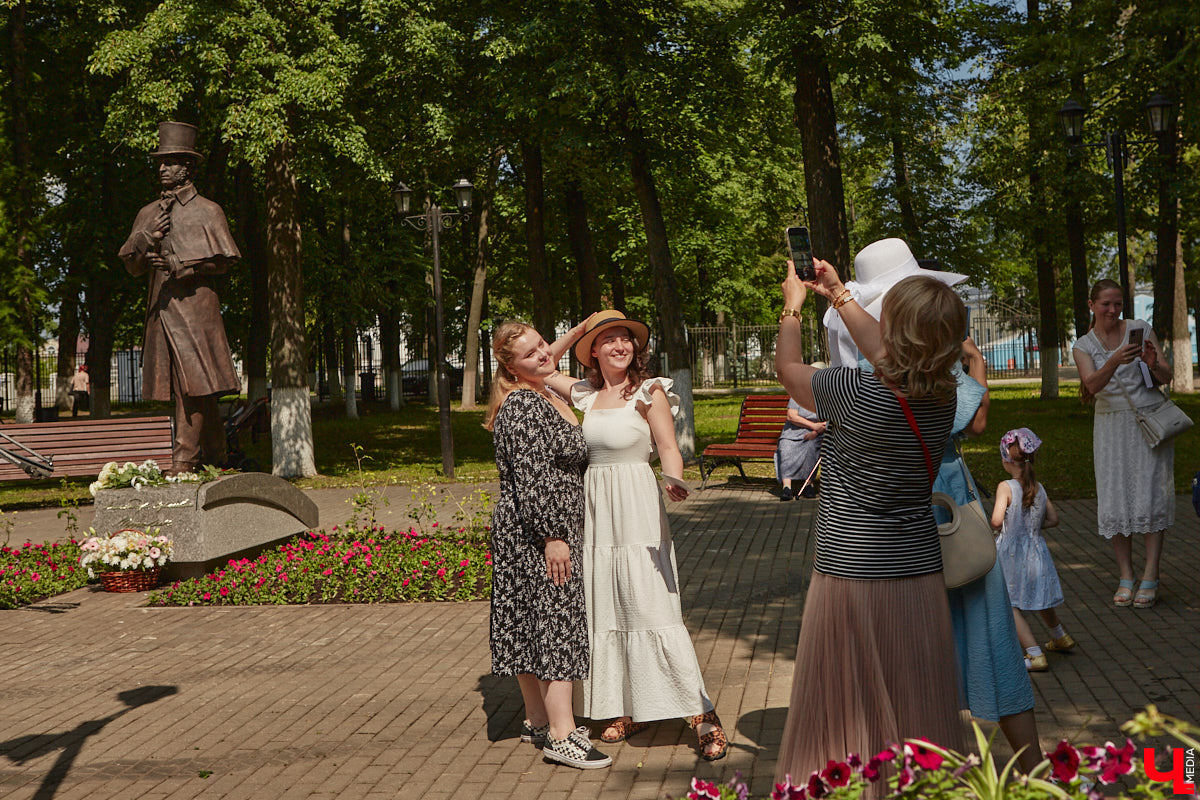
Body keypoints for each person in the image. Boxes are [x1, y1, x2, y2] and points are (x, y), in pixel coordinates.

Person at [822, 238, 1043, 774]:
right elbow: (969, 412)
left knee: (908, 656)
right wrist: (972, 363)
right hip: (947, 508)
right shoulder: (933, 375)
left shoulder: (854, 366)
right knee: (988, 638)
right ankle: (1038, 770)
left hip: (878, 524)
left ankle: (915, 768)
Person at [774, 258, 968, 789]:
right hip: (918, 571)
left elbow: (788, 372)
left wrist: (793, 306)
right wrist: (836, 294)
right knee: (916, 702)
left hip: (850, 572)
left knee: (844, 708)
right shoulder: (943, 392)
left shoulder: (852, 391)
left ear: (897, 331)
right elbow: (893, 356)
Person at [542, 310, 728, 761]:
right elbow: (545, 364)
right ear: (593, 352)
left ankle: (702, 715)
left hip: (637, 506)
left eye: (626, 339)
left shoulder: (648, 390)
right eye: (608, 340)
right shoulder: (584, 393)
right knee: (607, 604)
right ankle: (628, 707)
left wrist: (673, 478)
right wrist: (583, 327)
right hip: (595, 511)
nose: (620, 346)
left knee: (651, 606)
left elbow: (668, 446)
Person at [482, 318, 612, 770]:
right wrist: (553, 536)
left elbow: (547, 355)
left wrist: (575, 333)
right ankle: (562, 734)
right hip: (538, 533)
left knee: (527, 621)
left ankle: (537, 720)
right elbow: (531, 478)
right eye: (530, 353)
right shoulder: (522, 405)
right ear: (511, 368)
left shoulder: (539, 389)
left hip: (531, 530)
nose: (543, 354)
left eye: (543, 344)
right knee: (558, 622)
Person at [119, 121, 241, 474]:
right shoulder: (148, 213)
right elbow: (131, 265)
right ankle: (217, 455)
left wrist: (183, 265)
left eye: (170, 162)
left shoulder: (208, 210)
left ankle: (184, 459)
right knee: (190, 386)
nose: (162, 169)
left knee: (196, 382)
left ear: (187, 168)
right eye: (160, 162)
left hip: (196, 308)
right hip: (163, 309)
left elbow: (225, 259)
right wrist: (146, 240)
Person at [1071, 279, 1174, 609]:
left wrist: (1152, 362)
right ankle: (1126, 575)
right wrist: (1115, 359)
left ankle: (1151, 574)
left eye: (1118, 304)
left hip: (1146, 421)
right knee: (1116, 497)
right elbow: (1091, 385)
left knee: (1150, 494)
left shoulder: (1141, 328)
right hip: (1111, 427)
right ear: (1092, 305)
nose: (1113, 310)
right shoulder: (1083, 345)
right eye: (1106, 304)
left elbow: (1166, 375)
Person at [990, 428, 1075, 673]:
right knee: (1040, 596)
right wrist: (1032, 529)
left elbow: (996, 521)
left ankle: (1034, 653)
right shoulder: (1038, 486)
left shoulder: (1005, 487)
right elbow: (1053, 519)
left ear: (1007, 458)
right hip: (1036, 551)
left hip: (1011, 555)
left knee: (1008, 603)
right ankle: (1059, 636)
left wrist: (1001, 527)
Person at [776, 398, 825, 500]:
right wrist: (813, 425)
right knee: (786, 445)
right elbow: (791, 416)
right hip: (793, 430)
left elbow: (830, 420)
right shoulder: (797, 394)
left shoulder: (826, 395)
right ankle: (786, 487)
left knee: (811, 446)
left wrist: (815, 432)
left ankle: (808, 484)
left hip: (816, 433)